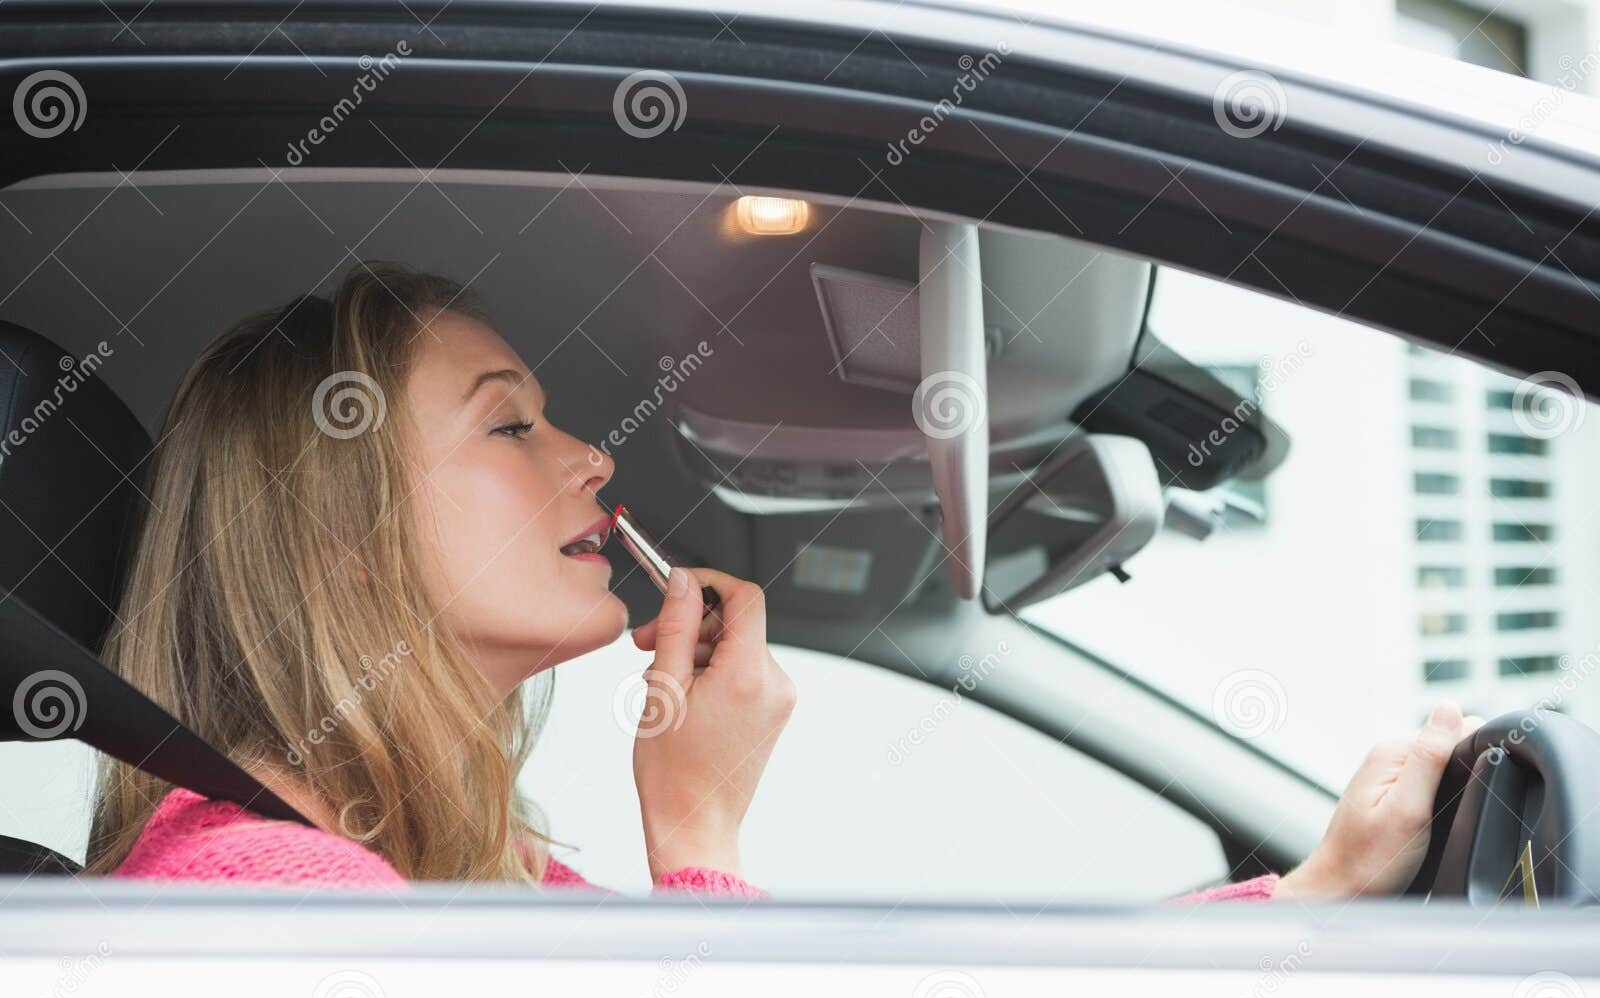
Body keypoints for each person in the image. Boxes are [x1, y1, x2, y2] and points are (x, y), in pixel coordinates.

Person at [89, 264, 1477, 902]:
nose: (589, 456)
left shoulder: (475, 864)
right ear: (339, 537)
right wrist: (696, 826)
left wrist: (1304, 902)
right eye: (511, 424)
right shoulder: (267, 892)